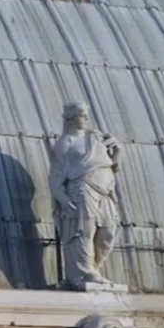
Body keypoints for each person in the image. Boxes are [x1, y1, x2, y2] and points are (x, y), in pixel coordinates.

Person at [49, 102, 122, 289]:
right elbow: (56, 174)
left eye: (87, 115)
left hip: (105, 192)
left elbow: (111, 166)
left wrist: (117, 153)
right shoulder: (65, 144)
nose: (87, 119)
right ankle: (84, 271)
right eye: (82, 115)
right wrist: (62, 198)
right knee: (84, 232)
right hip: (82, 189)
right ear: (70, 118)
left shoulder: (95, 139)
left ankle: (95, 268)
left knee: (108, 232)